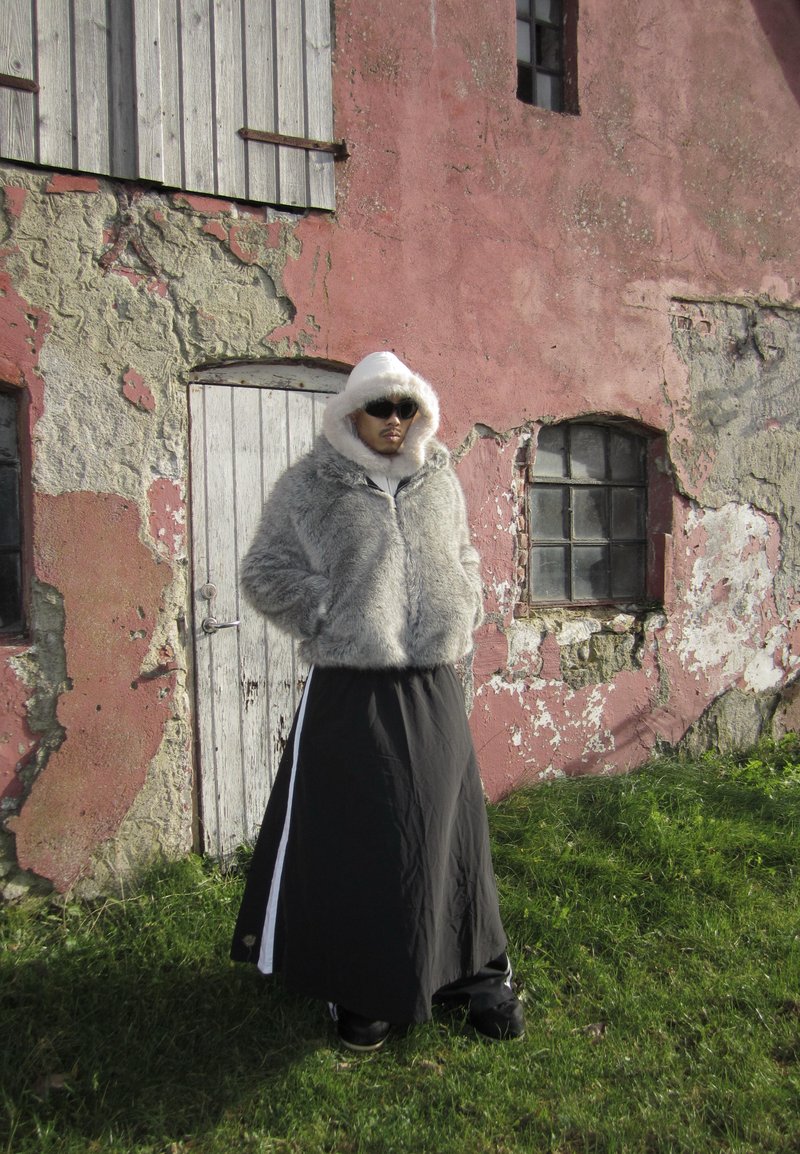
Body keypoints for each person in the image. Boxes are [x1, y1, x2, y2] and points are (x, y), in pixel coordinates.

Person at [230, 351, 524, 1051]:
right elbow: (264, 572)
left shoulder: (439, 481)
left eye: (407, 407)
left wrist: (465, 596)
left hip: (431, 684)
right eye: (381, 406)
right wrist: (331, 608)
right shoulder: (311, 485)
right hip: (352, 688)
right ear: (352, 412)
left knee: (450, 830)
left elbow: (466, 557)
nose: (395, 421)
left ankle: (472, 972)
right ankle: (364, 987)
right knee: (367, 837)